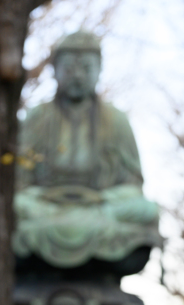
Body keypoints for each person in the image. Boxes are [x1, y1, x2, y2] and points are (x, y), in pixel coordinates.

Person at [13, 31, 161, 281]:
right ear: (55, 70)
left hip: (101, 207)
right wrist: (36, 197)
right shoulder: (37, 117)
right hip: (46, 206)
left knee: (147, 209)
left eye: (86, 68)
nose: (78, 76)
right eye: (69, 68)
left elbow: (133, 185)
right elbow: (18, 183)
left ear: (99, 70)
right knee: (12, 205)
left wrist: (103, 200)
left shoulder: (116, 120)